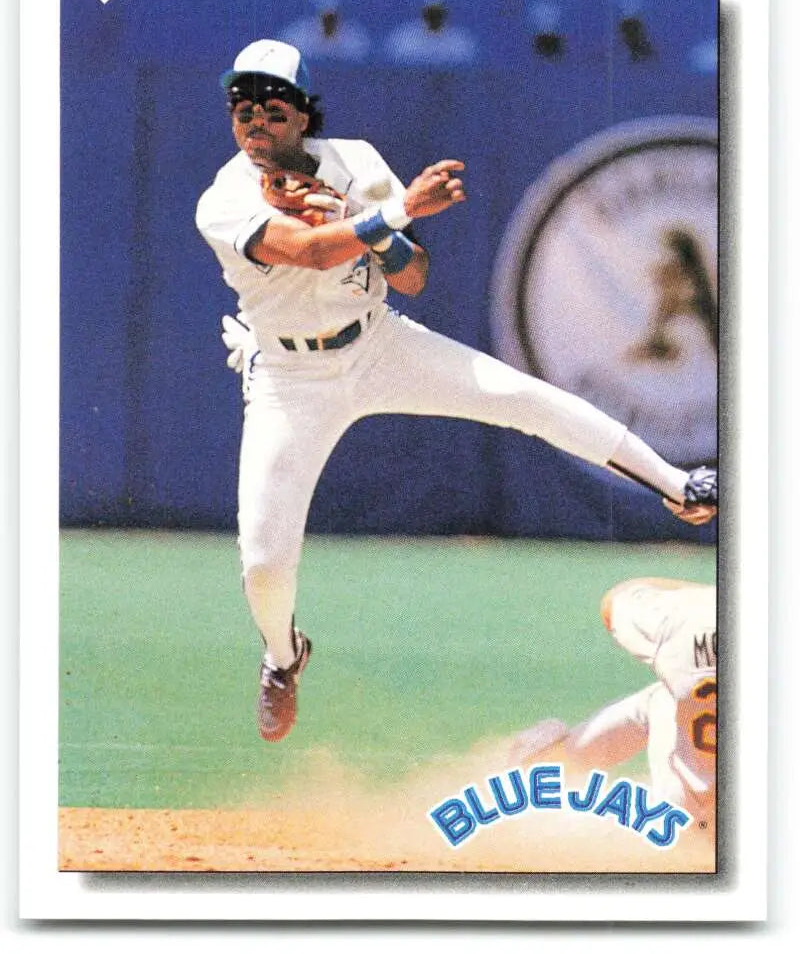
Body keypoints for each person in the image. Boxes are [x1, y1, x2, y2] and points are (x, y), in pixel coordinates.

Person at [195, 38, 718, 744]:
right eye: (242, 107)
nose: (255, 120)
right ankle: (284, 656)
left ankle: (677, 482)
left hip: (377, 342)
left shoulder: (354, 164)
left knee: (521, 397)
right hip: (290, 377)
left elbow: (412, 276)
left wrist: (382, 230)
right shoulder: (225, 195)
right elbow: (308, 250)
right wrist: (395, 211)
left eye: (272, 106)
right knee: (263, 560)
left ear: (304, 114)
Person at [510, 578, 717, 818]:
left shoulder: (692, 613)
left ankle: (551, 766)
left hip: (678, 820)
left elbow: (613, 601)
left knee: (663, 698)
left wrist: (702, 592)